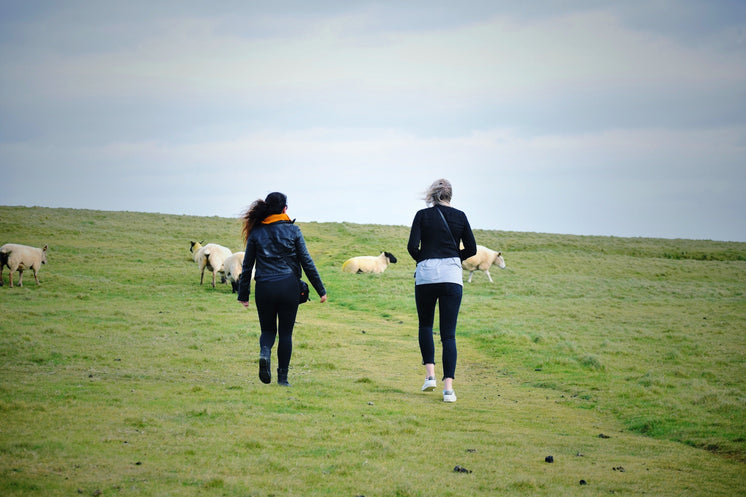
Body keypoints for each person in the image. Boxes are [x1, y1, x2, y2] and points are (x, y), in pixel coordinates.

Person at [237, 192, 327, 387]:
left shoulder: (256, 232)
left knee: (268, 330)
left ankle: (264, 352)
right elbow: (307, 262)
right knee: (286, 333)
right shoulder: (293, 231)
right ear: (285, 209)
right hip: (288, 286)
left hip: (264, 287)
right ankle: (283, 380)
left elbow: (247, 266)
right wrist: (321, 290)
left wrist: (243, 295)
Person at [407, 179, 477, 402]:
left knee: (425, 324)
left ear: (433, 195)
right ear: (450, 196)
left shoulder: (422, 215)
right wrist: (455, 258)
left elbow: (411, 247)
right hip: (451, 276)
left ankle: (430, 376)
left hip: (426, 274)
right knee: (449, 334)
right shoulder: (461, 216)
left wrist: (424, 260)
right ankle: (449, 390)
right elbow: (472, 248)